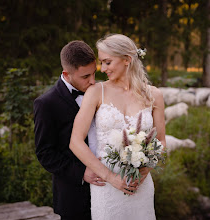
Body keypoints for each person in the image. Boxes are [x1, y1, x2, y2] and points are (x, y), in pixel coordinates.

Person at [69, 34, 166, 219]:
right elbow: (75, 141)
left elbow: (161, 141)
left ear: (127, 60)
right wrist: (110, 177)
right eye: (102, 63)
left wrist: (146, 170)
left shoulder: (154, 95)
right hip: (106, 186)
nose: (102, 69)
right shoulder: (96, 92)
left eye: (107, 62)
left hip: (141, 185)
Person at [33, 40, 105, 220]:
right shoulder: (46, 104)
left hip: (108, 187)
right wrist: (81, 173)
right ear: (67, 73)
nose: (93, 81)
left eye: (94, 73)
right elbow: (45, 153)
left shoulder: (101, 91)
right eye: (85, 76)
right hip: (73, 195)